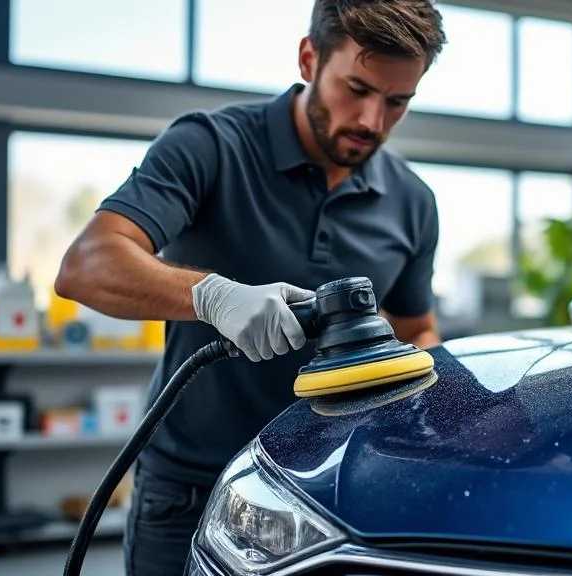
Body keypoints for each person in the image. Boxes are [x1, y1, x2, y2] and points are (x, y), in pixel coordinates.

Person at [53, 1, 446, 574]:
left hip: (332, 497)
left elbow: (418, 331)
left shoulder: (413, 202)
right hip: (189, 490)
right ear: (309, 59)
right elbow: (86, 266)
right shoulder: (210, 145)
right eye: (356, 88)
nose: (371, 121)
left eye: (396, 102)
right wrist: (214, 295)